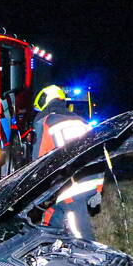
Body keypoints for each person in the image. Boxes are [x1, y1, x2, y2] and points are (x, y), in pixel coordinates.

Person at [31, 85, 100, 240]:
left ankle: (93, 259)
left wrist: (35, 191)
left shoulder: (46, 121)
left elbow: (39, 160)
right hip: (90, 179)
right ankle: (49, 250)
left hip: (70, 185)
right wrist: (98, 188)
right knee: (52, 218)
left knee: (79, 234)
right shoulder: (82, 121)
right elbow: (100, 153)